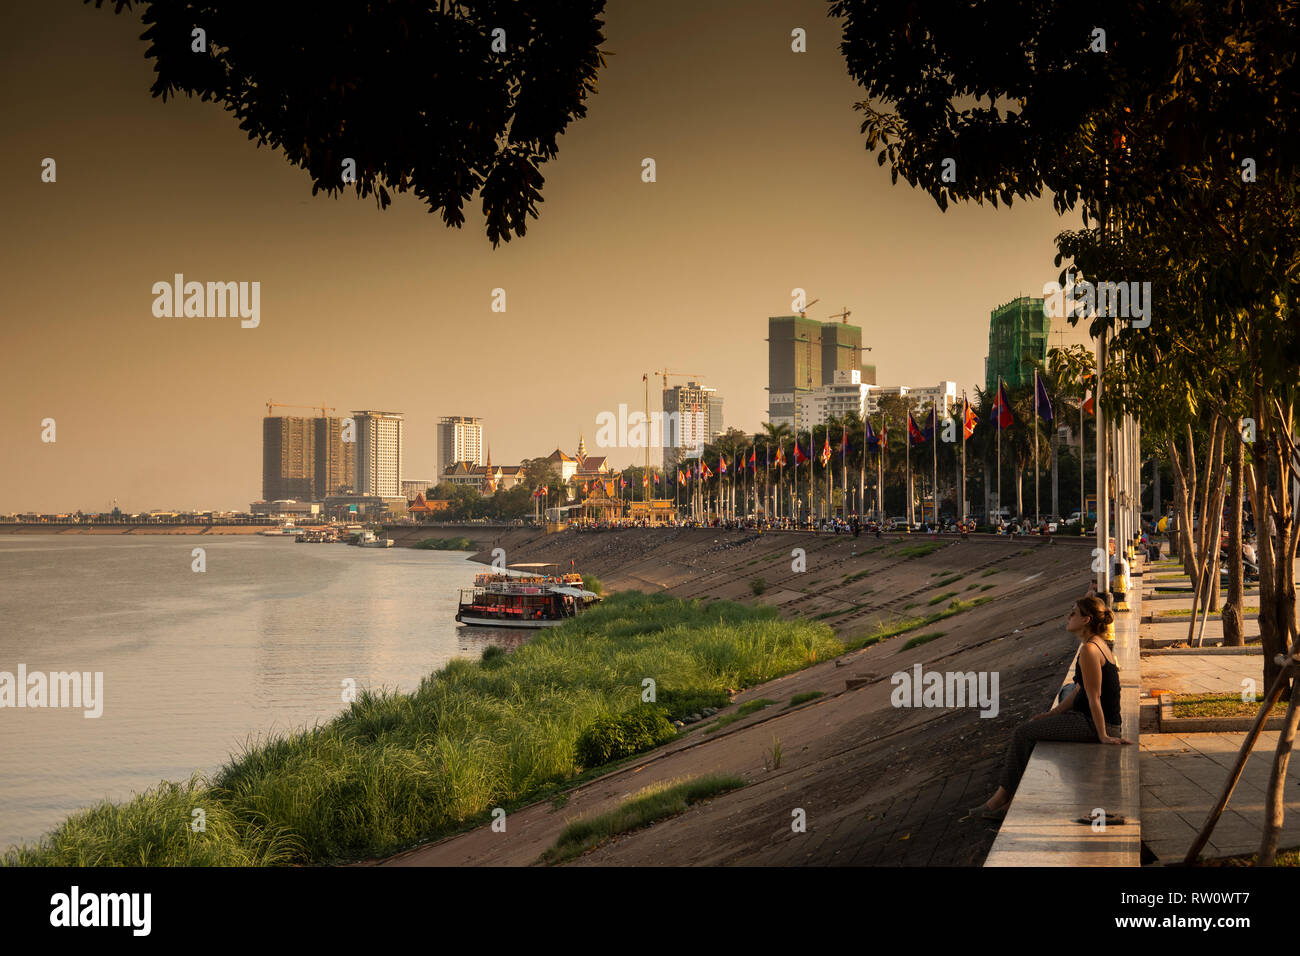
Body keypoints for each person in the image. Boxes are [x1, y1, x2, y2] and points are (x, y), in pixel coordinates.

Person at [968, 595, 1131, 819]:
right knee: (1045, 715)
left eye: (1073, 613)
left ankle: (1000, 801)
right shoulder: (1094, 645)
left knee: (1022, 733)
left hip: (1094, 724)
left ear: (1086, 620)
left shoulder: (1090, 651)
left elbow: (1094, 697)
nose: (1068, 616)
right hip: (1091, 720)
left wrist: (1103, 735)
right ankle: (1005, 802)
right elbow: (1079, 690)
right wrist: (1053, 713)